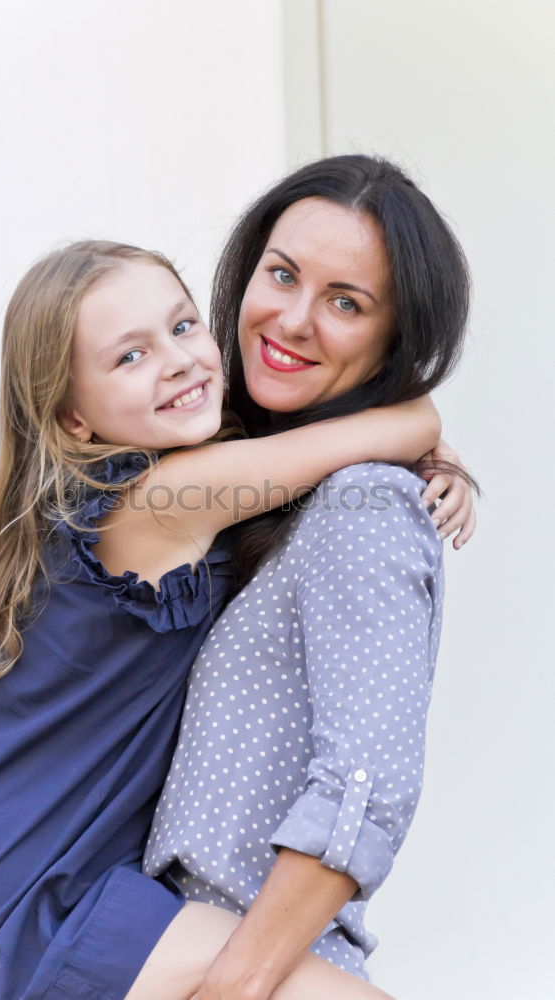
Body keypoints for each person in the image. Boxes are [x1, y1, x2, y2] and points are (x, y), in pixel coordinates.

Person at [0, 238, 455, 1000]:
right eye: (128, 358)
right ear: (73, 417)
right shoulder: (150, 505)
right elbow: (394, 424)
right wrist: (429, 444)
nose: (176, 361)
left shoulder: (177, 484)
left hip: (28, 884)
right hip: (25, 906)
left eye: (181, 326)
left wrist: (424, 450)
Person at [141, 154, 477, 999]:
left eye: (345, 302)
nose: (292, 320)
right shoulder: (251, 481)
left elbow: (366, 788)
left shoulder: (363, 503)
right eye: (282, 275)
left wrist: (235, 985)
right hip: (188, 946)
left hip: (255, 964)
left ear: (393, 344)